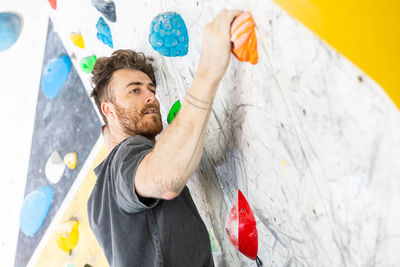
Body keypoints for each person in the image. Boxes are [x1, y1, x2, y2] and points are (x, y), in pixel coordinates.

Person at [87, 9, 241, 267]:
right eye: (134, 90)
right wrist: (211, 65)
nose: (151, 97)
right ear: (109, 110)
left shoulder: (97, 204)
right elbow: (165, 177)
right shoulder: (125, 155)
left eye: (151, 89)